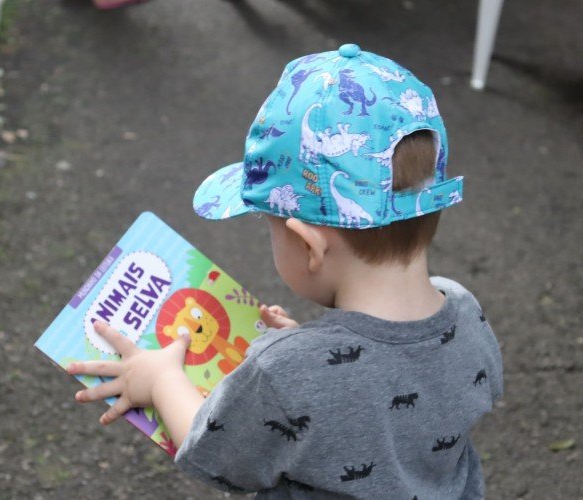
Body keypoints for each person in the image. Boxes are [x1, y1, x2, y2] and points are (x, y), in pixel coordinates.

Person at [67, 43, 503, 498]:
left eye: (269, 226)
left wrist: (159, 380)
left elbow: (221, 456)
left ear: (308, 245)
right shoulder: (466, 313)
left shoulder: (282, 371)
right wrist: (317, 354)